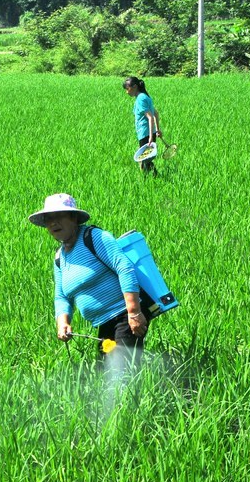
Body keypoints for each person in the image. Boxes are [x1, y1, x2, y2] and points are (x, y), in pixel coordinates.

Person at [29, 193, 149, 361]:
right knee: (106, 369)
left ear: (74, 218)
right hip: (104, 322)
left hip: (124, 315)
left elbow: (124, 268)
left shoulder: (94, 238)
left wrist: (134, 312)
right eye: (48, 219)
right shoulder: (59, 258)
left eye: (59, 216)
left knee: (121, 370)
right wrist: (63, 322)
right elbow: (61, 296)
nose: (53, 223)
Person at [123, 76, 161, 173]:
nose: (127, 92)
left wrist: (150, 138)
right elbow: (155, 113)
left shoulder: (140, 99)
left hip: (145, 134)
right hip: (148, 133)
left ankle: (150, 180)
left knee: (144, 161)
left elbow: (150, 117)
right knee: (146, 160)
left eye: (127, 89)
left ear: (135, 87)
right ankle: (153, 179)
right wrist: (157, 130)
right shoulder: (145, 96)